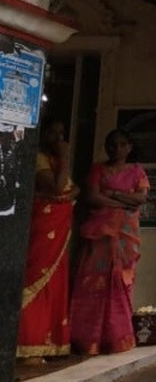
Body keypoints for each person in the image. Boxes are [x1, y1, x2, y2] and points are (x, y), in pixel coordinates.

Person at [70, 128, 150, 355]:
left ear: (129, 147)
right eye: (112, 144)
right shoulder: (98, 169)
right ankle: (89, 339)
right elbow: (92, 196)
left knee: (120, 281)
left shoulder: (136, 171)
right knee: (93, 282)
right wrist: (124, 201)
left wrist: (111, 195)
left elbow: (140, 198)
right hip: (100, 233)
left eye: (122, 144)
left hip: (126, 237)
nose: (116, 149)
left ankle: (117, 337)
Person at [17, 121, 78, 363]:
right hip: (42, 234)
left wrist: (66, 194)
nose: (58, 138)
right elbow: (57, 187)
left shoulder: (51, 161)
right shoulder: (38, 159)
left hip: (57, 236)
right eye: (52, 132)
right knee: (33, 282)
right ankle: (25, 344)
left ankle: (46, 344)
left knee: (53, 285)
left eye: (62, 133)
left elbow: (71, 191)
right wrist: (64, 157)